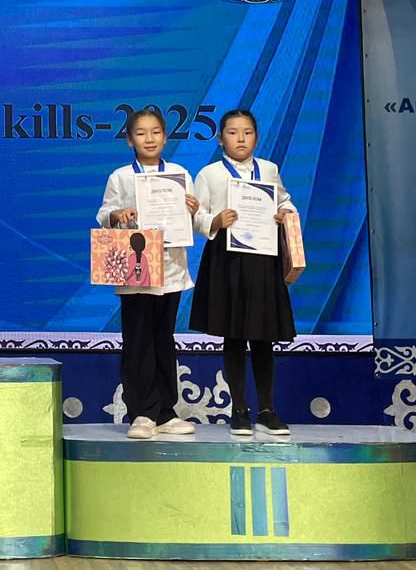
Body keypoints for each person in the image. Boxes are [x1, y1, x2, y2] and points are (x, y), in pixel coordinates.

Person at [190, 109, 296, 437]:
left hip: (263, 258)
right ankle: (239, 409)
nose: (240, 139)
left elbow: (286, 202)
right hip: (227, 259)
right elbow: (195, 215)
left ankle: (267, 409)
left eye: (247, 132)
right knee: (233, 334)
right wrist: (214, 221)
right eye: (233, 133)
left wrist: (283, 214)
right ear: (220, 139)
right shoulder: (209, 174)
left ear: (256, 137)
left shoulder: (269, 169)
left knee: (263, 335)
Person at [98, 109, 199, 439]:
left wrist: (194, 211)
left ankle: (166, 412)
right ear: (129, 140)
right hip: (136, 270)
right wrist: (118, 214)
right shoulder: (120, 177)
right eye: (141, 133)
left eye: (155, 132)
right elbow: (104, 214)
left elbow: (193, 219)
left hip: (171, 269)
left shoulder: (180, 174)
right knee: (138, 339)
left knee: (163, 338)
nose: (149, 139)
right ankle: (141, 412)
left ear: (165, 137)